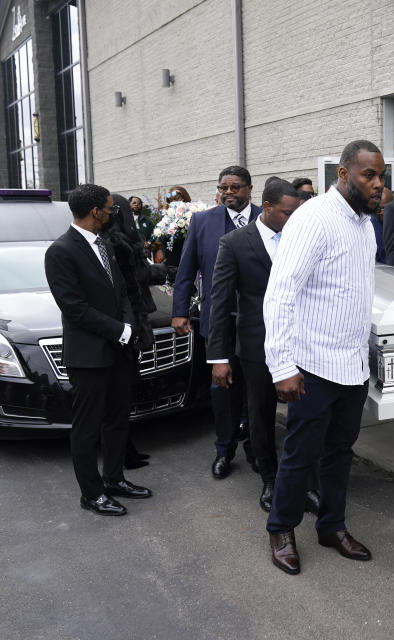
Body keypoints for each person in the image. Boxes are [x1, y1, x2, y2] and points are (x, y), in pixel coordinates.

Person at [263, 139, 384, 575]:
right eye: (368, 175)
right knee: (300, 455)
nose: (378, 185)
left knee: (340, 453)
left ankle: (331, 526)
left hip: (352, 366)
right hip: (311, 366)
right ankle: (281, 529)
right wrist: (282, 366)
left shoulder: (366, 226)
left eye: (381, 176)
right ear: (343, 174)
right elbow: (280, 295)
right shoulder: (313, 218)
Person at [206, 179, 321, 514]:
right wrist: (219, 357)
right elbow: (220, 300)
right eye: (286, 212)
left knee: (307, 417)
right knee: (260, 417)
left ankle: (306, 483)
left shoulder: (303, 237)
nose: (292, 218)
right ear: (267, 207)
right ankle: (270, 480)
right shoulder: (234, 243)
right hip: (257, 347)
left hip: (302, 345)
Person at [44, 184, 152, 516]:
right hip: (89, 356)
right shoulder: (60, 251)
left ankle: (115, 479)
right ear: (95, 212)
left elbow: (120, 292)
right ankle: (91, 493)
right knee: (88, 427)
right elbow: (74, 308)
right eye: (110, 208)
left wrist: (129, 327)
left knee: (118, 419)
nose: (112, 212)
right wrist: (120, 330)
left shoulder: (104, 244)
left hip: (119, 351)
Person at [172, 166, 260, 479]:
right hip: (218, 322)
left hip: (257, 323)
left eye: (235, 188)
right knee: (222, 389)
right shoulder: (202, 222)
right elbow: (186, 270)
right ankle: (224, 449)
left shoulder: (268, 219)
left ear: (250, 189)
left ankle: (256, 446)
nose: (228, 193)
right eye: (223, 187)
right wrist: (179, 311)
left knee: (256, 389)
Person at [103, 194, 167, 468]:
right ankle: (122, 456)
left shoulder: (115, 240)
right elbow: (136, 277)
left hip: (129, 323)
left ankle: (127, 450)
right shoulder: (119, 244)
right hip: (127, 325)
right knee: (120, 398)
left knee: (124, 396)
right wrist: (170, 269)